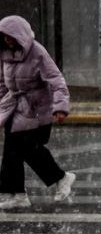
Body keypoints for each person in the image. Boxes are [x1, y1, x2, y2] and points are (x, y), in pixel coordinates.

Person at [0, 15, 74, 209]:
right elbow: (2, 84)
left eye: (10, 36)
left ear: (19, 35)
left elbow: (56, 80)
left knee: (27, 148)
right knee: (11, 151)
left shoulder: (37, 52)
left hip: (37, 111)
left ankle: (61, 178)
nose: (7, 40)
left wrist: (60, 107)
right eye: (4, 37)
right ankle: (16, 194)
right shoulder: (4, 54)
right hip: (13, 108)